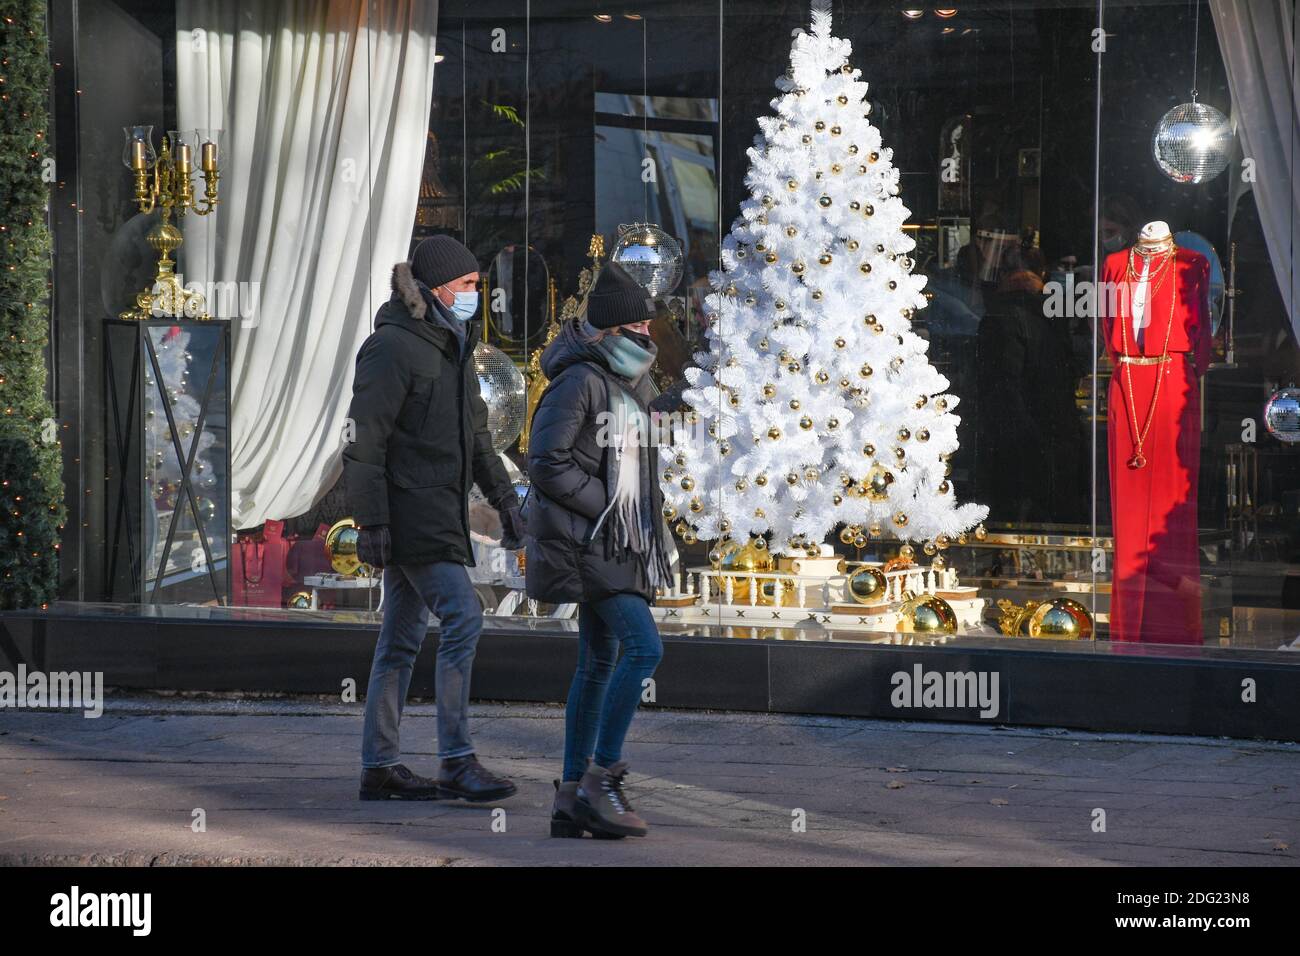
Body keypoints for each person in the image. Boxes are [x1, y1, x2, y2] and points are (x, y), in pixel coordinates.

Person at [344, 235, 526, 802]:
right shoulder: (393, 347)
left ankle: (380, 766)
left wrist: (506, 502)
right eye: (470, 285)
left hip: (437, 513)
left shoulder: (455, 347)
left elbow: (478, 438)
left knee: (398, 641)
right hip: (410, 516)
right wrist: (371, 521)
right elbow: (363, 441)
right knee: (464, 618)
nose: (477, 294)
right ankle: (456, 759)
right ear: (439, 288)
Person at [525, 262, 674, 839]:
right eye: (637, 324)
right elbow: (546, 462)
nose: (647, 333)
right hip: (591, 542)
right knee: (644, 648)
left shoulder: (631, 384)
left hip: (614, 543)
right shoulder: (581, 380)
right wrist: (609, 506)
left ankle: (569, 795)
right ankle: (601, 777)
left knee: (597, 665)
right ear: (610, 330)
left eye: (648, 323)